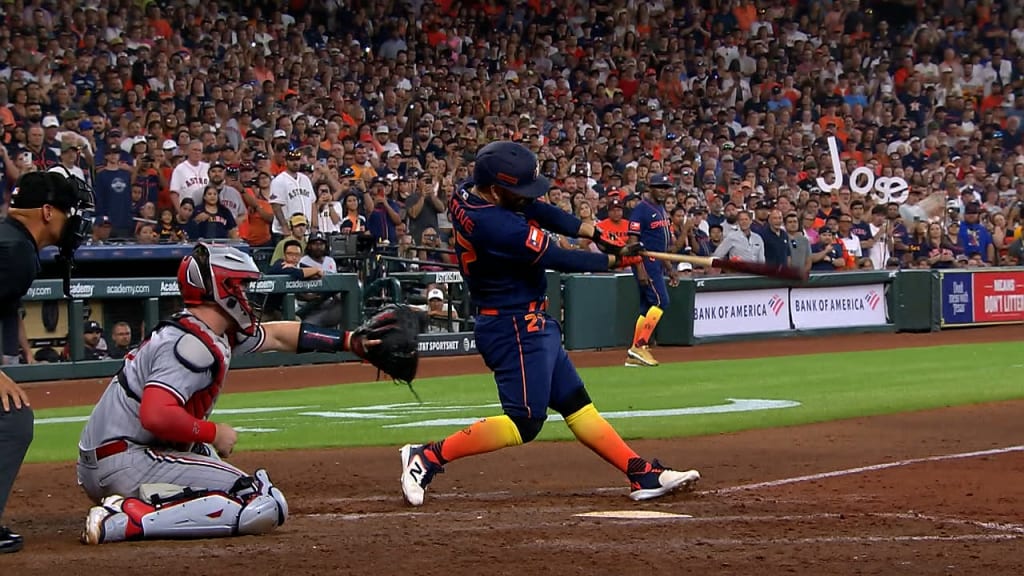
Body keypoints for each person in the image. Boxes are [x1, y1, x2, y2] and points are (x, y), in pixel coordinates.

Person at [399, 141, 699, 508]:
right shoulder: (497, 226)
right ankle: (426, 456)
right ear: (497, 189)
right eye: (518, 190)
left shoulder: (470, 193)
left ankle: (639, 472)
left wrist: (592, 231)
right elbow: (559, 257)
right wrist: (617, 259)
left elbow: (536, 208)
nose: (526, 196)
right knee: (525, 421)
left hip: (528, 321)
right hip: (512, 326)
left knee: (576, 404)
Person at [77, 243, 382, 545]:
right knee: (263, 503)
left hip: (113, 458)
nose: (247, 295)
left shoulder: (205, 330)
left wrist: (348, 341)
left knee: (206, 457)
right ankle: (129, 520)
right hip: (125, 460)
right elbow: (156, 414)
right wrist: (213, 432)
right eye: (242, 286)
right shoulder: (190, 344)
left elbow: (278, 335)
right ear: (221, 289)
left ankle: (139, 506)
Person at [0, 170, 94, 553]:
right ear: (46, 211)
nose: (76, 222)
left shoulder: (10, 242)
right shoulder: (15, 252)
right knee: (12, 417)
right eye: (70, 211)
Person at [625, 174, 680, 367]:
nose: (664, 190)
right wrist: (639, 267)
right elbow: (632, 242)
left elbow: (662, 244)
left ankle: (634, 353)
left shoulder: (662, 209)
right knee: (661, 301)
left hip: (658, 261)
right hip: (646, 261)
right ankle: (640, 345)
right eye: (660, 187)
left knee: (646, 307)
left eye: (667, 187)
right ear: (650, 188)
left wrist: (669, 268)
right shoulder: (641, 210)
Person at [269, 149, 315, 240]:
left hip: (305, 230)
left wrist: (315, 225)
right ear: (286, 162)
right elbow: (276, 206)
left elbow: (313, 202)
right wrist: (284, 227)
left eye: (297, 160)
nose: (295, 163)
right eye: (291, 160)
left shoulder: (305, 179)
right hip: (286, 232)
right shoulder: (279, 180)